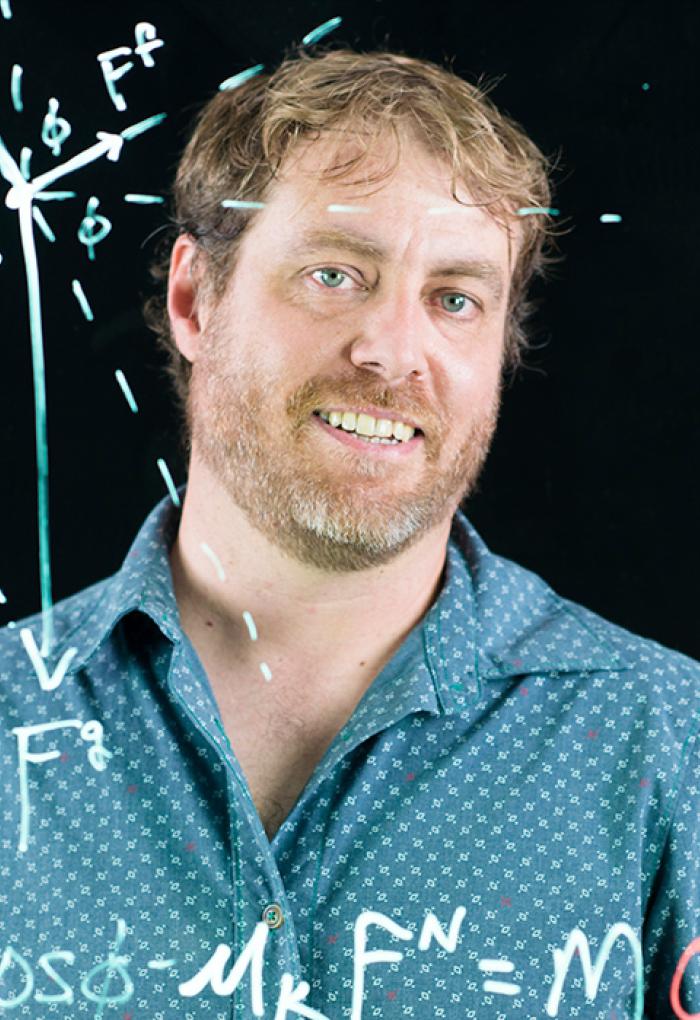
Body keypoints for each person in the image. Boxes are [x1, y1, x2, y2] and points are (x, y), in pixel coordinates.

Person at [1, 46, 698, 1019]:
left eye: (454, 299)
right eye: (334, 274)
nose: (392, 352)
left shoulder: (668, 739)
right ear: (196, 300)